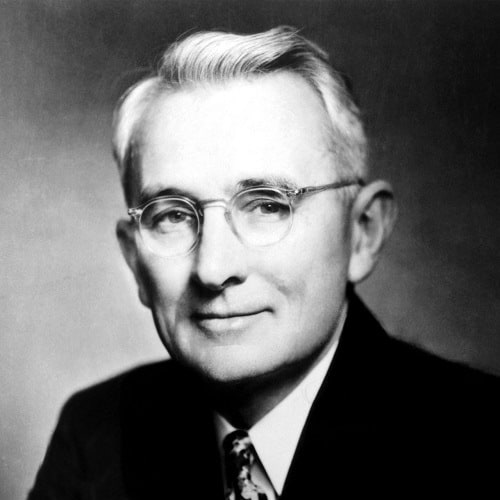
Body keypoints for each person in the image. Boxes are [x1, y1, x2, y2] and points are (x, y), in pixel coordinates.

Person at [29, 26, 499, 499]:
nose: (212, 269)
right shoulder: (96, 438)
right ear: (134, 261)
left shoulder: (478, 443)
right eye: (172, 215)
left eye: (268, 205)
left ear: (362, 233)